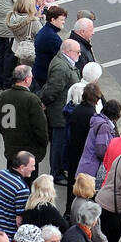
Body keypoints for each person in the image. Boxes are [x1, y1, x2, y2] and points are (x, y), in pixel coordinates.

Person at [0, 65, 48, 169]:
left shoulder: (4, 96)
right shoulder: (32, 99)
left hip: (10, 147)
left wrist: (8, 133)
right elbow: (40, 128)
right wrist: (43, 143)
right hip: (29, 151)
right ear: (27, 79)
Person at [41, 38, 81, 181]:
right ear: (68, 51)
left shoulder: (64, 62)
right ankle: (56, 173)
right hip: (59, 112)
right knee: (58, 144)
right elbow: (53, 90)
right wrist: (44, 102)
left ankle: (58, 171)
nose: (79, 54)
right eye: (77, 52)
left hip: (62, 110)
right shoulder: (61, 67)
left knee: (61, 142)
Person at [64, 81, 102, 213]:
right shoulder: (93, 116)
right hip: (85, 156)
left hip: (72, 151)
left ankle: (69, 211)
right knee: (84, 186)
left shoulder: (76, 111)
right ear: (96, 99)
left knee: (72, 184)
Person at [0, 150, 36, 236]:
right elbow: (19, 219)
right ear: (22, 167)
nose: (34, 169)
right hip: (8, 234)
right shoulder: (22, 189)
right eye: (32, 166)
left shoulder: (0, 175)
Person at [76, 95, 119, 180]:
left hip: (86, 167)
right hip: (91, 170)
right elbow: (101, 151)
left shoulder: (98, 120)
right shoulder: (104, 127)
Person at [33, 3, 66, 89]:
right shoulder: (52, 37)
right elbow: (62, 56)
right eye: (61, 19)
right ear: (53, 19)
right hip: (45, 74)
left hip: (39, 70)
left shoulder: (46, 30)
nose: (64, 22)